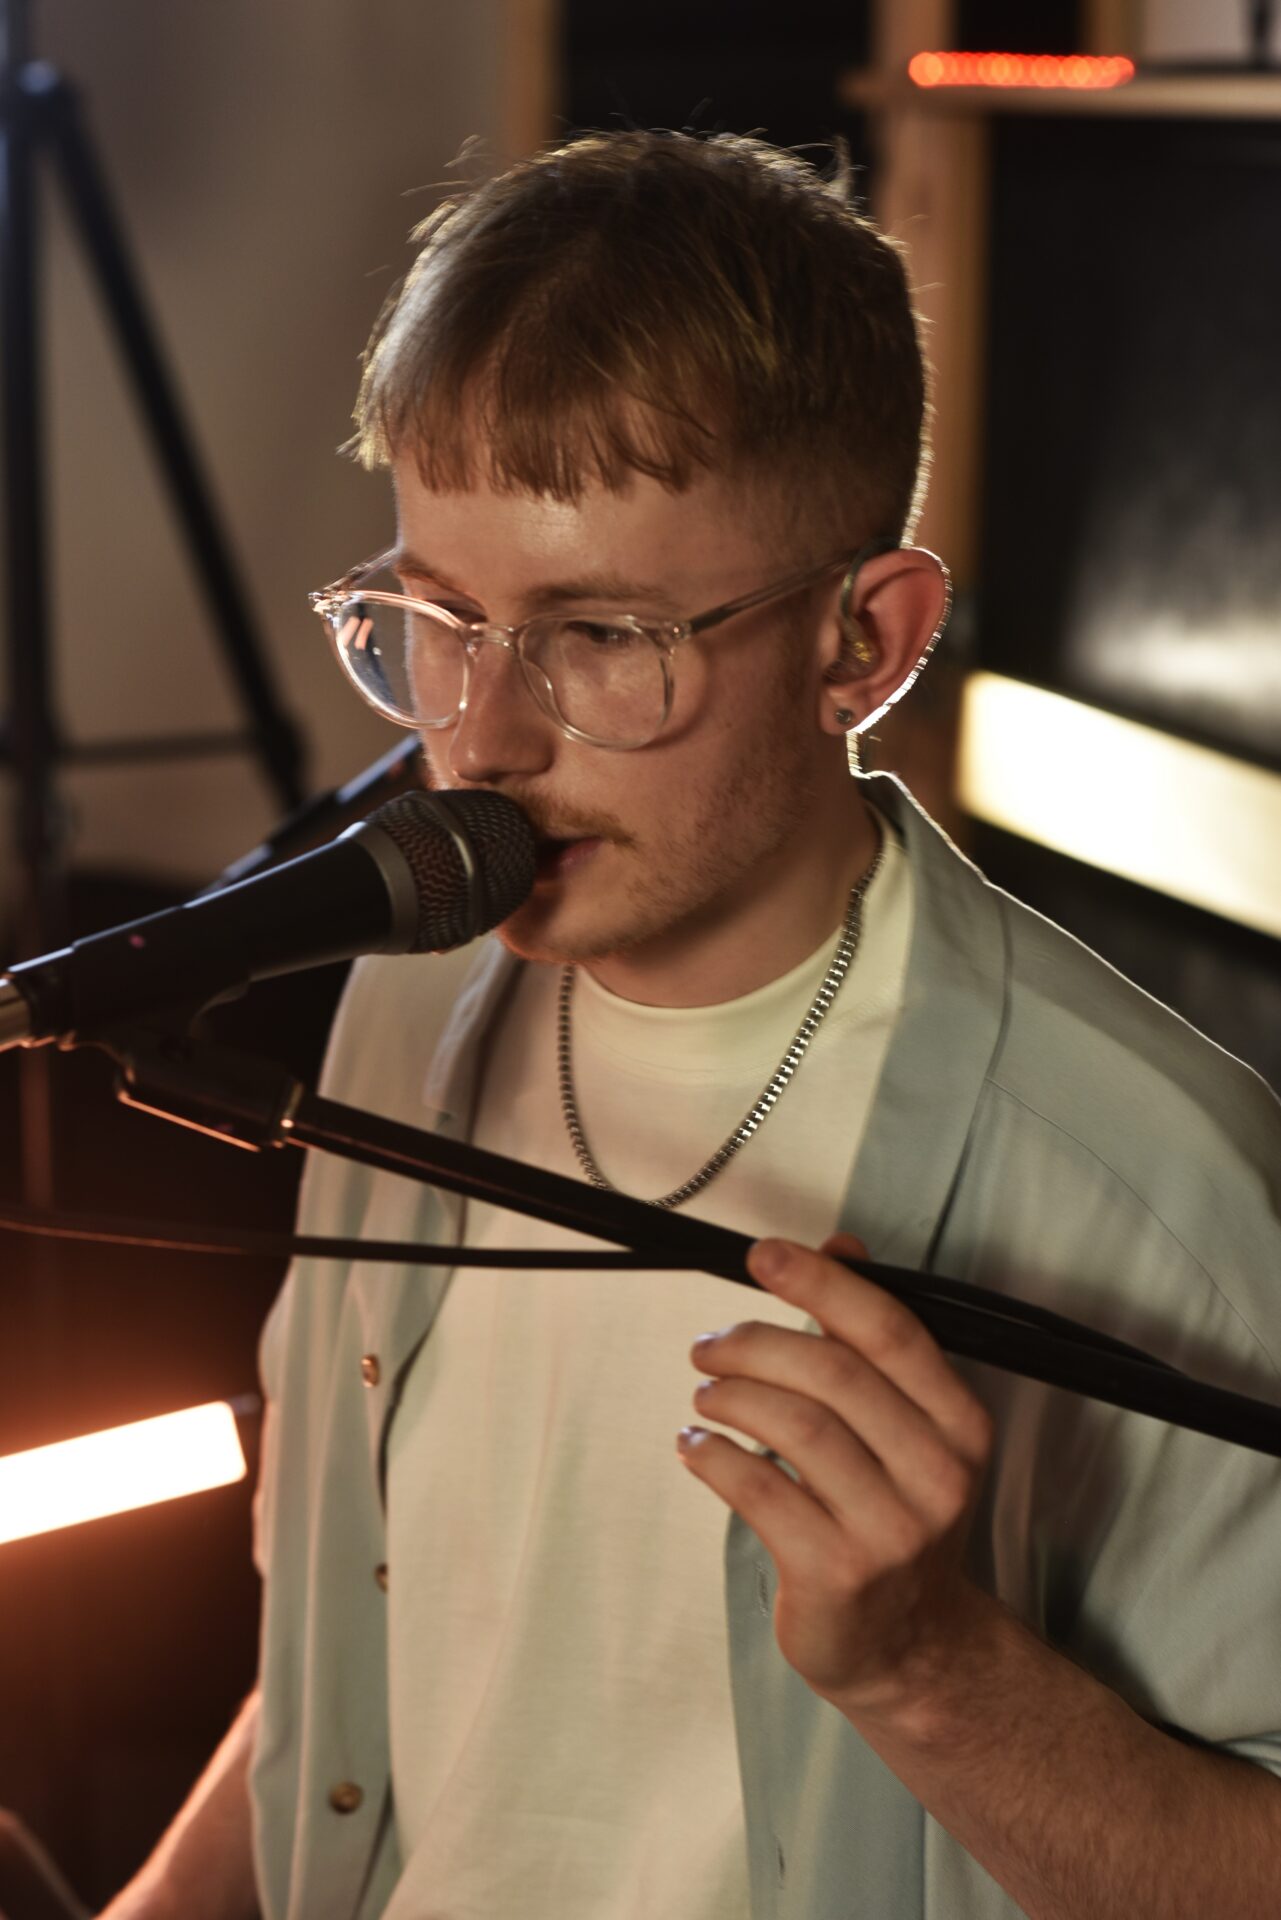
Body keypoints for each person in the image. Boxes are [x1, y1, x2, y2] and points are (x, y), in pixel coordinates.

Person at [102, 129, 1281, 1920]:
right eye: (437, 619)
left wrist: (928, 1672)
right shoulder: (404, 1004)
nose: (480, 741)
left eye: (599, 637)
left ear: (863, 643)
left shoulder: (1154, 1187)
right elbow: (369, 1691)